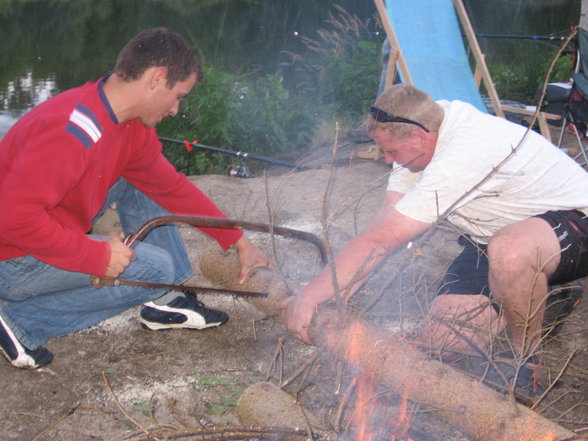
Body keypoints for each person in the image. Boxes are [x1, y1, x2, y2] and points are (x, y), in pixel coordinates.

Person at [284, 84, 588, 393]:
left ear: (417, 138)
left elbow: (381, 242)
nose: (388, 160)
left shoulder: (462, 153)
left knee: (510, 252)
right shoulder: (419, 123)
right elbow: (383, 224)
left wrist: (309, 296)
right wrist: (337, 290)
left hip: (575, 223)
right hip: (490, 238)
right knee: (442, 342)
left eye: (391, 152)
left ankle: (526, 358)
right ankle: (537, 296)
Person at [0, 28, 272, 369]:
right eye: (178, 96)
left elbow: (169, 186)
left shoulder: (128, 124)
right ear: (157, 78)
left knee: (141, 184)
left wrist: (236, 238)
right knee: (155, 267)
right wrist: (94, 255)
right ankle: (22, 320)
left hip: (36, 232)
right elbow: (13, 219)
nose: (175, 109)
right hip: (11, 260)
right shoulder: (71, 132)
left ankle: (165, 296)